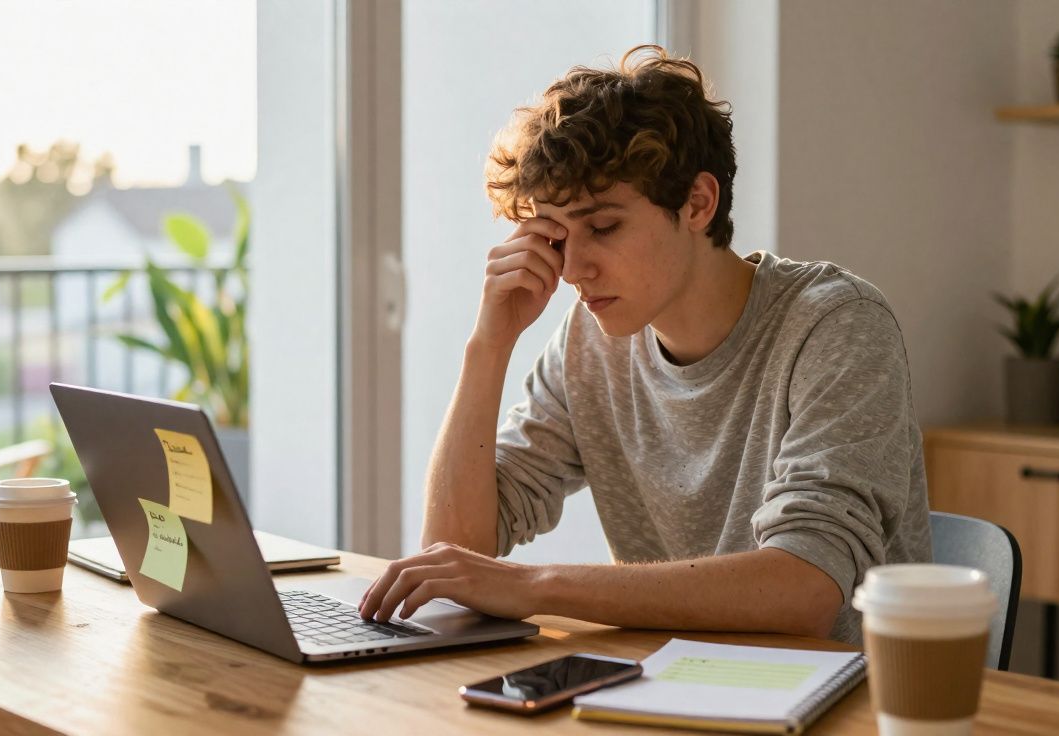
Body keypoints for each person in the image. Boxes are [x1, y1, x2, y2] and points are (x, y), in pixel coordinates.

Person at [359, 45, 930, 643]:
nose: (574, 268)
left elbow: (807, 588)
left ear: (697, 203)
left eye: (603, 227)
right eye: (555, 237)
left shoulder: (836, 326)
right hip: (669, 686)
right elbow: (458, 553)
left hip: (842, 703)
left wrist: (536, 585)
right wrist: (489, 344)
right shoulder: (590, 341)